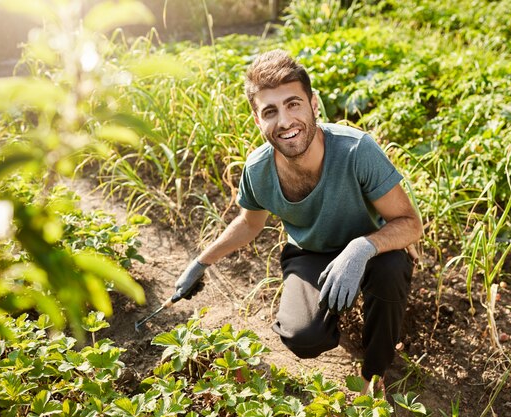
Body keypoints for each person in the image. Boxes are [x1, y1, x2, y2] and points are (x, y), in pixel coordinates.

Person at [175, 49, 423, 391]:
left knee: (391, 269)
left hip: (371, 250)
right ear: (257, 119)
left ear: (313, 104)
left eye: (294, 104)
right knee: (303, 338)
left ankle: (373, 374)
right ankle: (337, 311)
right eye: (270, 111)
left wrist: (362, 247)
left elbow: (410, 222)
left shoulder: (356, 150)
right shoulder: (258, 170)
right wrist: (202, 262)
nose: (285, 121)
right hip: (312, 252)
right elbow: (249, 223)